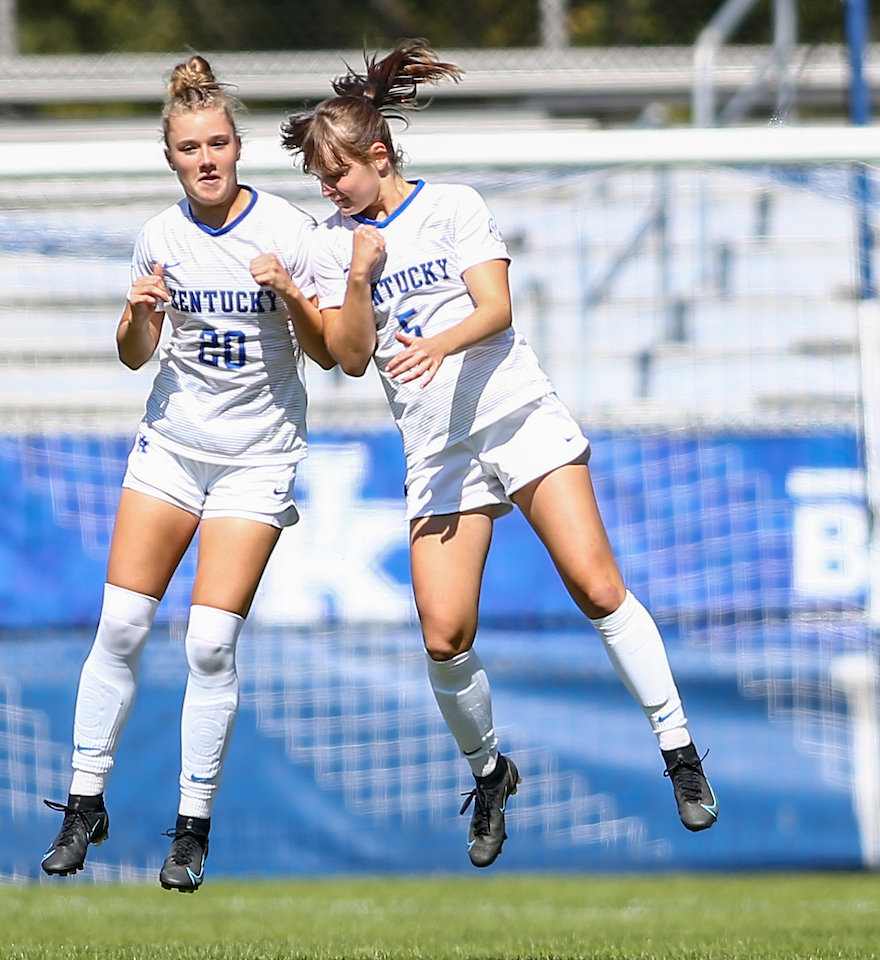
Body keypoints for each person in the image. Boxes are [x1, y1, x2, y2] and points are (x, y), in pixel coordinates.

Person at [282, 40, 717, 869]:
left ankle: (679, 751)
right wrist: (354, 281)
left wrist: (438, 343)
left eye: (335, 174)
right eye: (318, 180)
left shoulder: (453, 207)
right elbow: (344, 355)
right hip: (437, 446)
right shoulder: (337, 244)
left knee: (597, 585)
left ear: (379, 156)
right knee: (444, 636)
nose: (327, 190)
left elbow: (496, 309)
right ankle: (490, 774)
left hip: (514, 412)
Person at [41, 56, 333, 892]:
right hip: (170, 448)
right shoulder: (160, 235)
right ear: (170, 158)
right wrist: (136, 315)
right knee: (123, 627)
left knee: (209, 642)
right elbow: (136, 357)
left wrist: (291, 295)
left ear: (239, 147)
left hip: (256, 457)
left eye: (217, 144)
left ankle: (192, 825)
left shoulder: (286, 232)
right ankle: (82, 802)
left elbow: (331, 354)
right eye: (188, 148)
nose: (205, 159)